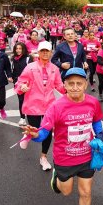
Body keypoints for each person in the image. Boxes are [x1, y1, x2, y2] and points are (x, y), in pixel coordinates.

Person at [22, 67, 103, 205]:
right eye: (71, 83)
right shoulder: (56, 106)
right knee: (66, 191)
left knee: (85, 192)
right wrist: (35, 134)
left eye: (79, 83)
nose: (75, 87)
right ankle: (56, 178)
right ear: (64, 85)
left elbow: (97, 122)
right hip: (64, 158)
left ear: (85, 85)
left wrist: (100, 138)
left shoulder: (93, 102)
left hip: (87, 156)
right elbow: (44, 133)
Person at [15, 41, 65, 171]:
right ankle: (28, 135)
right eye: (42, 50)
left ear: (50, 53)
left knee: (47, 132)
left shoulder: (54, 68)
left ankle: (43, 157)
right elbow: (20, 82)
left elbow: (58, 85)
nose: (44, 53)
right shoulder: (30, 67)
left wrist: (66, 88)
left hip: (50, 104)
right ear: (38, 52)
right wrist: (22, 87)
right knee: (36, 129)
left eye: (47, 51)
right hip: (33, 104)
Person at [11, 42, 30, 126]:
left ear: (23, 49)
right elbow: (12, 70)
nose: (18, 50)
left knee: (30, 100)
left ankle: (31, 117)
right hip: (18, 83)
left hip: (28, 83)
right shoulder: (13, 59)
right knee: (21, 100)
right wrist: (12, 79)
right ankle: (22, 118)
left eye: (20, 48)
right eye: (17, 48)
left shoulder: (28, 58)